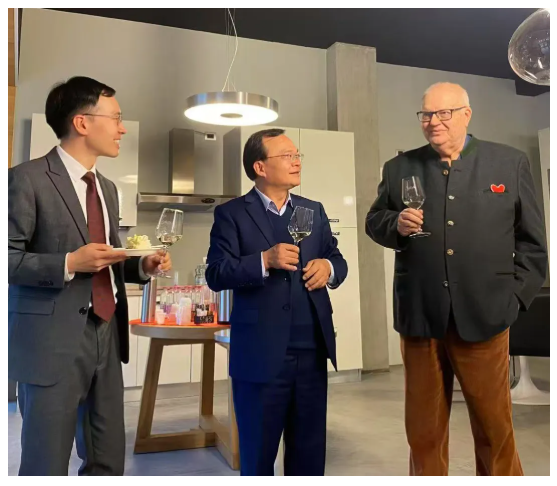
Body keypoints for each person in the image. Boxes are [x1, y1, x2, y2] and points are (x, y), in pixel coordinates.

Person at [366, 82, 547, 476]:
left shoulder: (509, 162)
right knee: (423, 431)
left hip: (487, 315)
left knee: (494, 428)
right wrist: (395, 224)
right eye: (426, 114)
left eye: (444, 113)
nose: (434, 122)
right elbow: (374, 221)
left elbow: (533, 244)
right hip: (420, 316)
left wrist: (514, 299)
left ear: (466, 114)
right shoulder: (399, 168)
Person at [8, 76, 172, 476]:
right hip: (51, 343)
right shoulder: (26, 178)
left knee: (107, 458)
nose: (122, 129)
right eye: (116, 118)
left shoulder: (108, 188)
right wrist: (68, 263)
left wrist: (140, 267)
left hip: (107, 333)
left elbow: (107, 258)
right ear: (82, 122)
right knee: (45, 463)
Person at [206, 128, 348, 476]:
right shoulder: (232, 214)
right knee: (258, 459)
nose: (296, 161)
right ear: (260, 167)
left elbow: (337, 259)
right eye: (287, 156)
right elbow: (216, 273)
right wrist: (263, 261)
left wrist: (328, 267)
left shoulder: (312, 210)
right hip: (260, 355)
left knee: (309, 458)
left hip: (311, 351)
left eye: (297, 155)